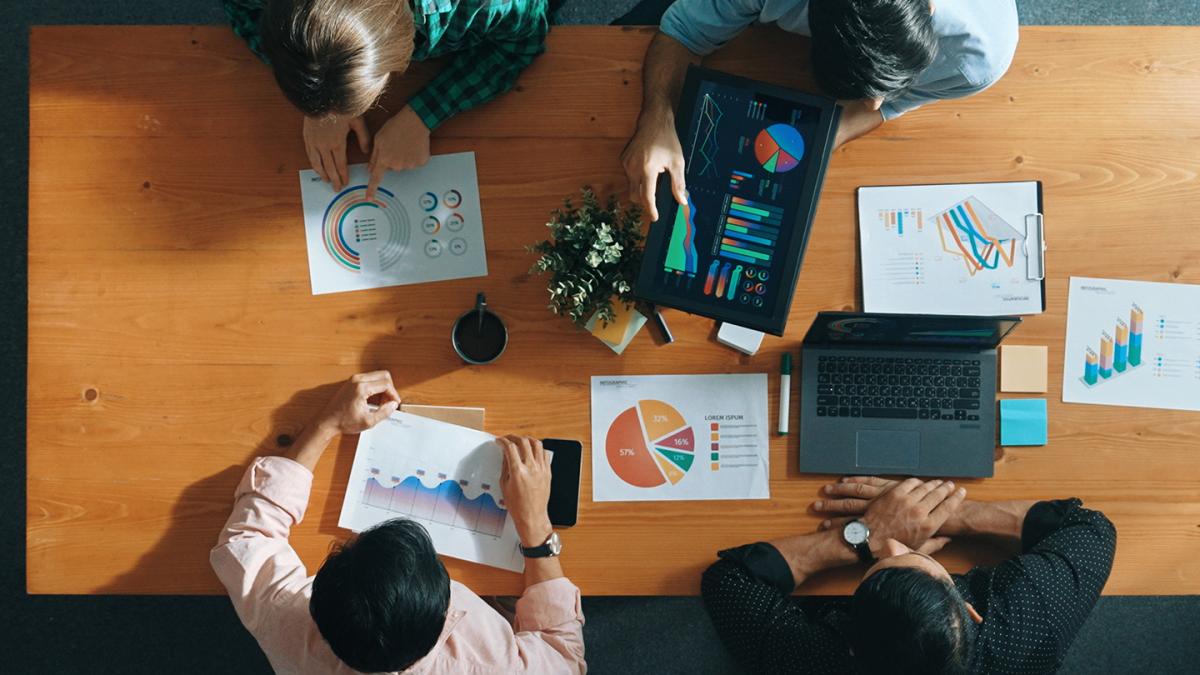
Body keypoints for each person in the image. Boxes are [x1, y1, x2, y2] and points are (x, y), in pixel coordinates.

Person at [210, 371, 586, 674]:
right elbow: (564, 656)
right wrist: (536, 525)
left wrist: (326, 424)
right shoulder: (490, 664)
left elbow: (247, 537)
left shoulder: (289, 626)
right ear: (444, 615)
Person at [621, 0, 1019, 221]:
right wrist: (658, 115)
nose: (874, 103)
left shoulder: (980, 58)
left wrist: (822, 142)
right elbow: (685, 33)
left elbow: (891, 103)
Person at [701, 476, 1116, 674]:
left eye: (887, 555)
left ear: (849, 643)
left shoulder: (812, 661)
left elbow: (731, 579)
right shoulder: (1026, 629)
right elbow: (1090, 529)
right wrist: (949, 514)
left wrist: (861, 538)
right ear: (970, 612)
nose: (894, 545)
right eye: (907, 553)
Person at [222, 0, 553, 198]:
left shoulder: (488, 6)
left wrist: (427, 112)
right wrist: (320, 99)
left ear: (398, 56)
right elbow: (238, 8)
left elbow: (523, 40)